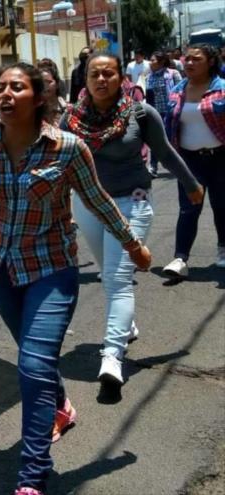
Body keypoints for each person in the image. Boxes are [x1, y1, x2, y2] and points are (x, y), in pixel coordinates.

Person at [0, 63, 151, 495]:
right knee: (34, 361)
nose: (4, 94)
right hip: (0, 270)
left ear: (38, 97)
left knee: (33, 366)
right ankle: (59, 407)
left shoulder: (68, 148)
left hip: (52, 270)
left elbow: (98, 201)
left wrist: (133, 245)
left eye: (16, 87)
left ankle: (31, 475)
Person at [62, 53, 203, 386]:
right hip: (88, 205)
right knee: (108, 274)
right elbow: (61, 164)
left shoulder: (140, 112)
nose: (101, 80)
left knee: (116, 279)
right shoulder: (72, 120)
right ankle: (126, 326)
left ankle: (112, 355)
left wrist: (192, 185)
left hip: (132, 204)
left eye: (108, 73)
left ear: (120, 77)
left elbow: (166, 152)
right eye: (94, 74)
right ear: (85, 79)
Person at [162, 44, 225, 276]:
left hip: (220, 159)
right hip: (189, 161)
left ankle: (223, 249)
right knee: (189, 209)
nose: (189, 63)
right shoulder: (178, 91)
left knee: (222, 207)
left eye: (195, 59)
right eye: (186, 59)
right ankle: (180, 260)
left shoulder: (222, 89)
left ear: (210, 62)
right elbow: (170, 126)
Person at [145, 51, 181, 175]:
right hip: (155, 114)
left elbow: (181, 91)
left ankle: (178, 166)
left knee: (172, 140)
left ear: (161, 62)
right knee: (155, 140)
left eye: (153, 60)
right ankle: (153, 166)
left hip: (170, 112)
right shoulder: (148, 77)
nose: (150, 62)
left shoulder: (173, 74)